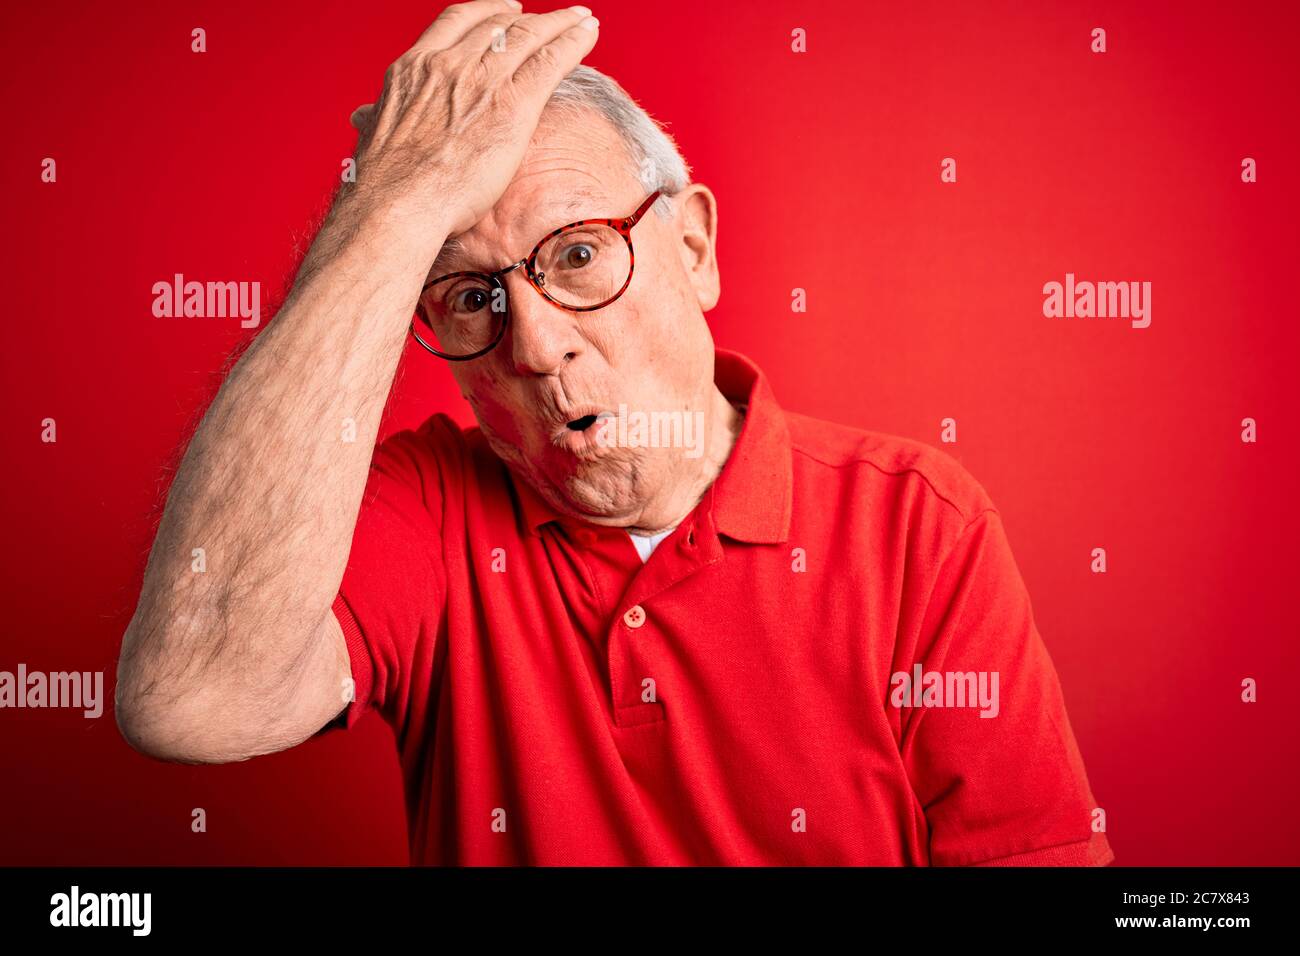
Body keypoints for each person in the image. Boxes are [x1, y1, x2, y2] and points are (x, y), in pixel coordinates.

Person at [115, 0, 1114, 866]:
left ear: (692, 248)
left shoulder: (914, 525)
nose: (538, 346)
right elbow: (191, 696)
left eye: (580, 253)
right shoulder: (425, 509)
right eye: (470, 295)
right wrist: (388, 208)